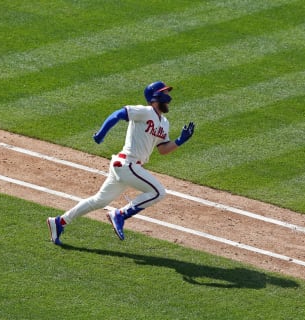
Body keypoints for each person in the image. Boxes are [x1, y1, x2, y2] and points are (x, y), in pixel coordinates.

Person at [47, 81, 195, 245]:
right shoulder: (145, 112)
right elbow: (118, 114)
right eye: (165, 93)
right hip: (127, 164)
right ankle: (120, 215)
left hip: (127, 167)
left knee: (99, 201)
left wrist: (181, 140)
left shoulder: (164, 123)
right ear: (156, 96)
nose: (169, 97)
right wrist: (101, 133)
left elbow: (163, 149)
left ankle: (59, 222)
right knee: (158, 192)